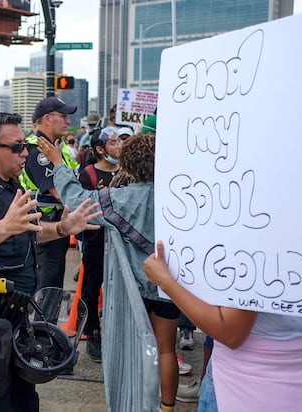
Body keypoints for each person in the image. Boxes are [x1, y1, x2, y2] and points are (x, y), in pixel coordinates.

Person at [143, 146, 302, 411]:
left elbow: (230, 332)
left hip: (244, 385)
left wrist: (167, 282)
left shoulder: (258, 241)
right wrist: (292, 323)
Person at [0, 112, 102, 412]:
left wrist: (62, 229)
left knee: (23, 400)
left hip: (14, 315)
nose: (25, 153)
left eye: (24, 145)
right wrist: (4, 226)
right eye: (16, 147)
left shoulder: (9, 187)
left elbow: (24, 234)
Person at [37, 134, 181, 412]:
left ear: (126, 165)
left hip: (131, 290)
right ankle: (167, 407)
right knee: (166, 350)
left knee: (129, 350)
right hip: (168, 286)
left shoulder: (116, 199)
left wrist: (58, 163)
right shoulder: (180, 196)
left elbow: (77, 199)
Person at [20, 96, 78, 290]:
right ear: (47, 118)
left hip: (55, 229)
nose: (68, 121)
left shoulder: (56, 149)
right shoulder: (37, 150)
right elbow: (62, 192)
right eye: (63, 116)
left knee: (52, 289)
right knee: (46, 293)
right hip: (45, 231)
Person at [76, 126, 122, 362]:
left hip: (124, 242)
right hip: (96, 240)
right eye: (114, 142)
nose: (119, 145)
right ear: (100, 149)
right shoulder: (89, 175)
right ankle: (92, 331)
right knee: (92, 287)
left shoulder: (128, 171)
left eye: (120, 141)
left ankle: (118, 333)